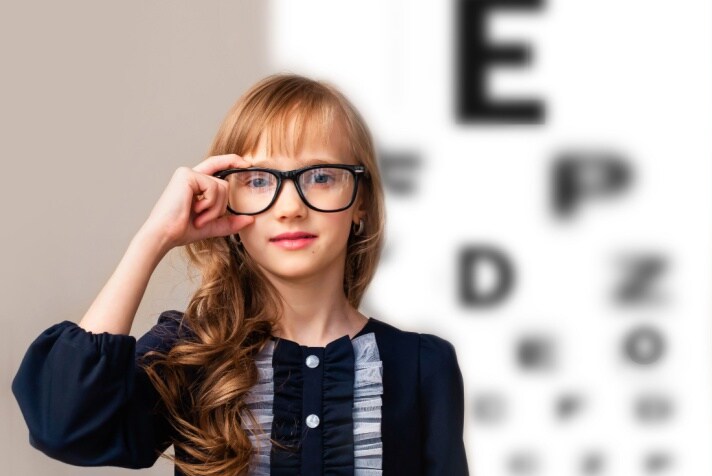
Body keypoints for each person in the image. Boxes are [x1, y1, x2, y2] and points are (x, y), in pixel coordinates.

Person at [11, 73, 469, 476]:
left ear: (361, 203)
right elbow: (64, 424)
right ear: (226, 200)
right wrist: (154, 236)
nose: (291, 207)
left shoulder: (423, 366)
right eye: (257, 181)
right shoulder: (193, 352)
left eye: (321, 177)